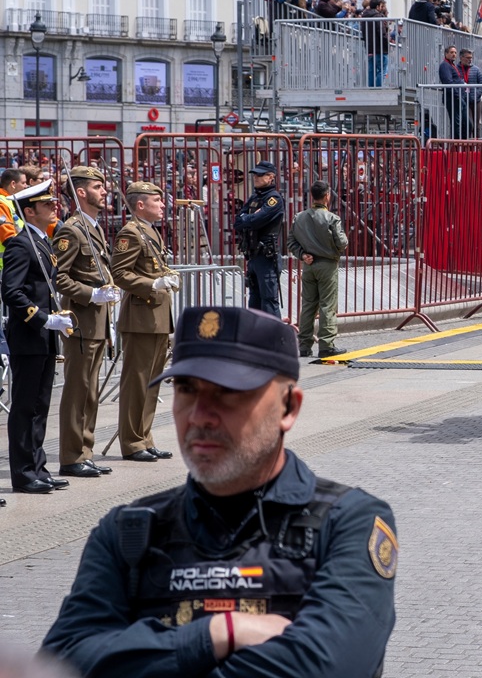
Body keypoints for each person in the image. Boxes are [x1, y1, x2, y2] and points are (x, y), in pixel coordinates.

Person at [41, 305, 397, 676]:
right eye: (187, 389)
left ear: (289, 407)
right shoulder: (129, 532)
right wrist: (218, 633)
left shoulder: (348, 523)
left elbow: (329, 666)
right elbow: (62, 664)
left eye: (228, 392)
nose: (199, 415)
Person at [3, 187, 74, 494]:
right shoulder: (20, 245)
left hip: (43, 338)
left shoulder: (42, 243)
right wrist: (43, 318)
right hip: (28, 337)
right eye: (46, 204)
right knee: (24, 406)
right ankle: (22, 472)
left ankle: (37, 465)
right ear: (29, 212)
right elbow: (12, 292)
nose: (52, 207)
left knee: (41, 405)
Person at [54, 166, 120, 479]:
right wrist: (93, 294)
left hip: (96, 323)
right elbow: (60, 278)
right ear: (81, 192)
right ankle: (70, 455)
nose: (104, 191)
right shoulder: (72, 229)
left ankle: (85, 451)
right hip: (81, 321)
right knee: (77, 391)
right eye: (97, 186)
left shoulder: (92, 227)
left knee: (90, 392)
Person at [111, 181, 177, 463]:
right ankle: (131, 442)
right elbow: (120, 273)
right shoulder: (131, 232)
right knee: (136, 383)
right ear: (140, 205)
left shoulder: (150, 231)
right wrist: (154, 284)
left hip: (158, 316)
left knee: (152, 383)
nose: (162, 205)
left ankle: (144, 437)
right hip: (141, 317)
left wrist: (168, 276)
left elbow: (153, 266)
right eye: (156, 201)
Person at [287, 180, 348, 358]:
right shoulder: (332, 218)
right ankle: (326, 344)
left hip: (308, 265)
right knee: (327, 305)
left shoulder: (299, 217)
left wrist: (303, 255)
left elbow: (291, 241)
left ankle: (304, 345)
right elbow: (342, 242)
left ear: (312, 196)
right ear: (327, 196)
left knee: (307, 305)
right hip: (327, 265)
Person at [234, 162, 285, 317]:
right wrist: (250, 217)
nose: (256, 177)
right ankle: (255, 337)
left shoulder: (274, 199)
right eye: (255, 174)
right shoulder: (255, 198)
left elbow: (256, 221)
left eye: (260, 175)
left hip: (266, 257)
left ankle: (274, 339)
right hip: (253, 256)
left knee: (269, 301)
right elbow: (238, 222)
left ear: (271, 177)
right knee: (254, 301)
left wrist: (248, 219)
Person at [439, 45, 468, 138]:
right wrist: (457, 95)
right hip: (453, 97)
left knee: (466, 123)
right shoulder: (445, 65)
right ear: (446, 54)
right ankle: (456, 145)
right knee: (457, 123)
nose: (454, 54)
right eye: (451, 52)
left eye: (455, 53)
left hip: (459, 96)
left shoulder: (451, 65)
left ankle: (462, 144)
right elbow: (448, 82)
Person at [360, 0, 389, 88]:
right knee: (382, 70)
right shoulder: (378, 17)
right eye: (382, 6)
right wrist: (386, 45)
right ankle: (379, 90)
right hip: (379, 48)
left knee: (371, 71)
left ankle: (371, 89)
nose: (383, 8)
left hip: (369, 48)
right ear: (378, 6)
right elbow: (381, 33)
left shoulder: (364, 16)